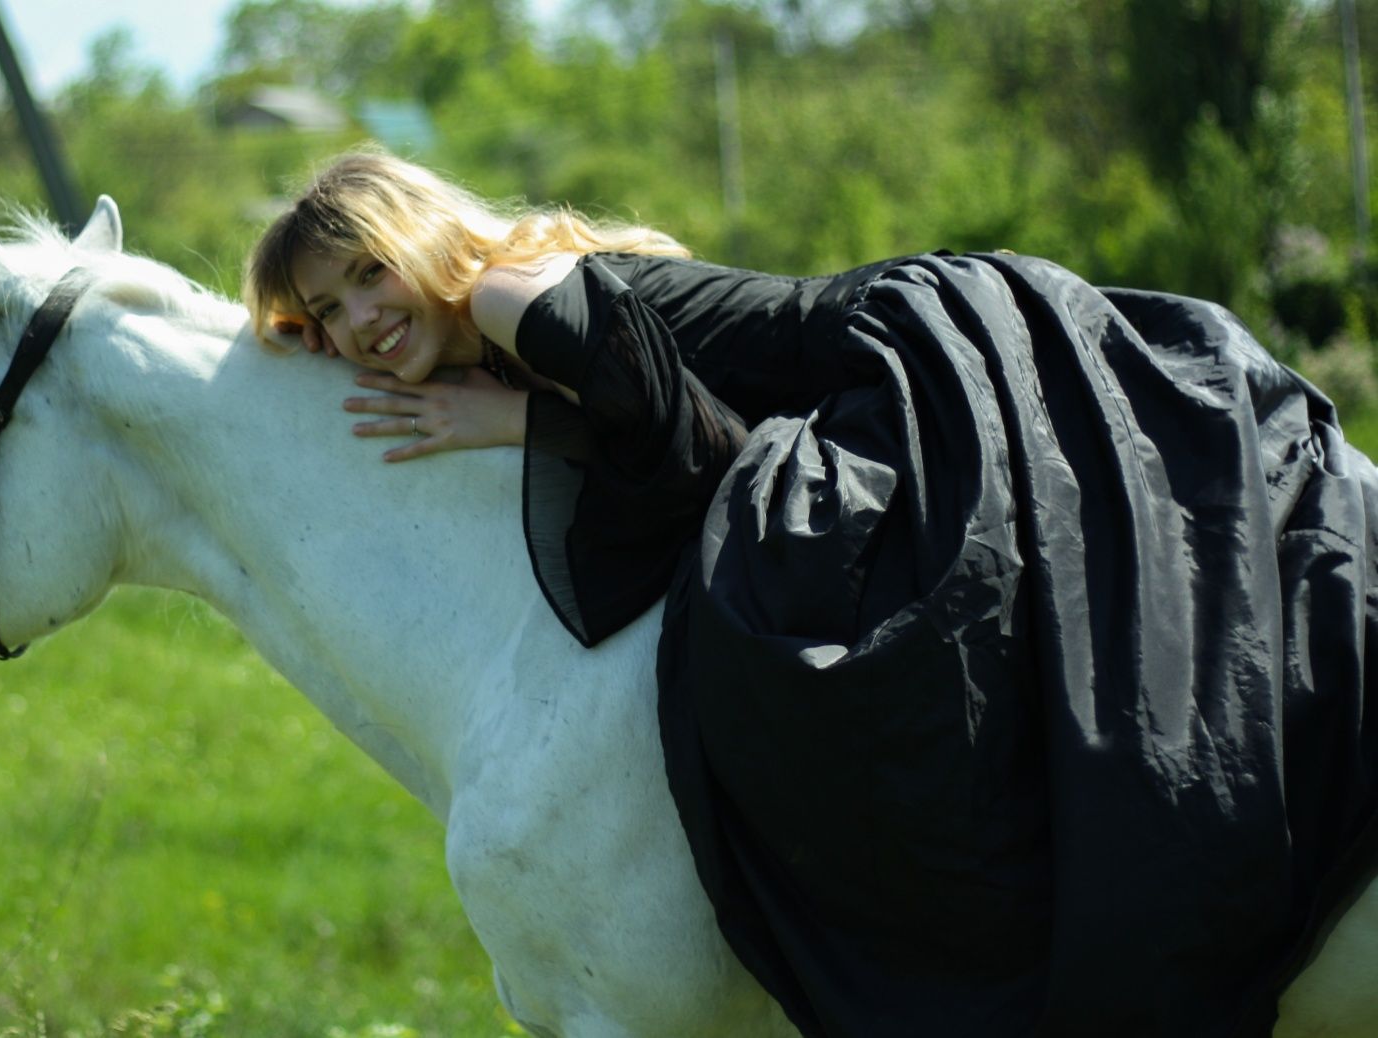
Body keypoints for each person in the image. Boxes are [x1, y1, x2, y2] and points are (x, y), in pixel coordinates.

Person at [244, 148, 1378, 1038]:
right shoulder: (491, 322)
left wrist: (518, 422)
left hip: (897, 368)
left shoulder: (504, 299)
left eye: (367, 273)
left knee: (826, 631)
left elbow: (702, 448)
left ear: (421, 240)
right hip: (878, 367)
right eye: (326, 310)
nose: (358, 321)